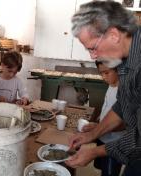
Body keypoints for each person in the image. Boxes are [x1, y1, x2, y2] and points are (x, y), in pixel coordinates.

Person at [65, 1, 141, 175]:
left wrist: (94, 151)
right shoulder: (123, 60)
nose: (93, 56)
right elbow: (122, 105)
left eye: (92, 48)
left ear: (113, 35)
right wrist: (91, 135)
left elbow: (138, 139)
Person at [82, 60, 124, 176]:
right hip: (103, 137)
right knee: (101, 166)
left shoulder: (124, 91)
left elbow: (124, 124)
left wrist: (98, 127)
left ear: (119, 70)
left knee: (110, 171)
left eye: (106, 73)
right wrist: (98, 121)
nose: (103, 77)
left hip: (114, 143)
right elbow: (106, 106)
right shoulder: (111, 86)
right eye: (101, 73)